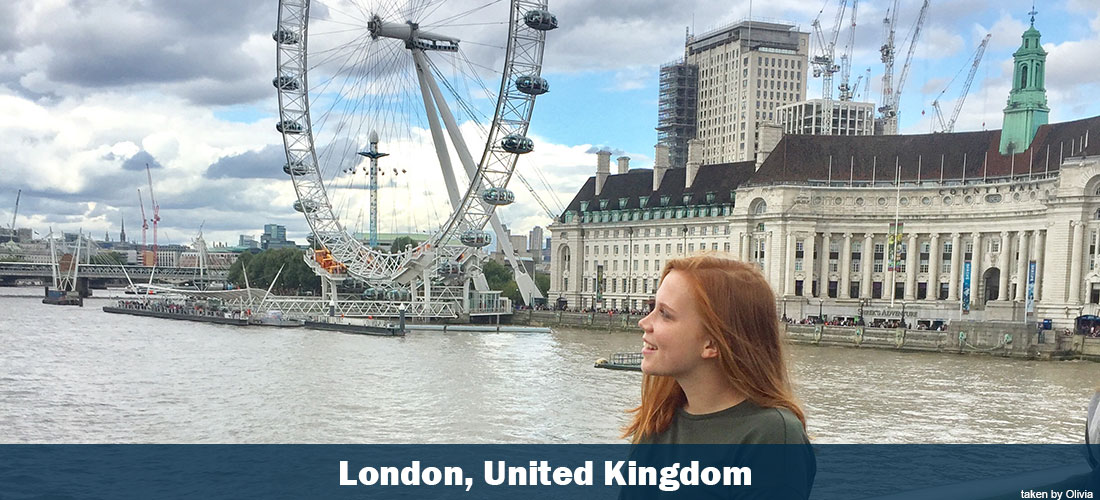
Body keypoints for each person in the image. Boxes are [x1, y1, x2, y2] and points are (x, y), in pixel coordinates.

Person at [622, 255, 814, 498]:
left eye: (665, 314)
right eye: (652, 308)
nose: (644, 322)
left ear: (712, 342)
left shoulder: (772, 436)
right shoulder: (658, 420)